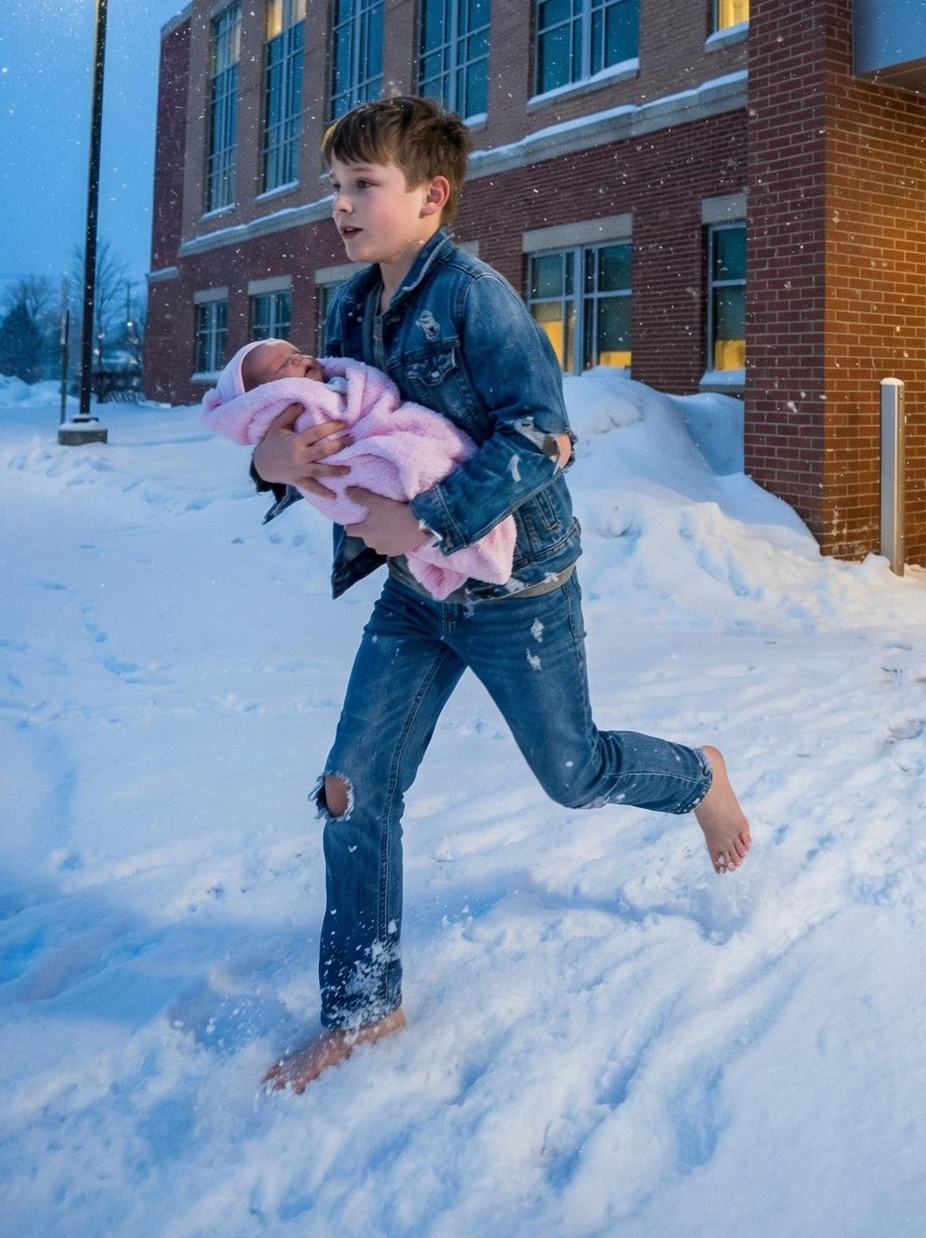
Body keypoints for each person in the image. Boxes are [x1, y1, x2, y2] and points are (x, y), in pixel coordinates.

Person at [251, 96, 751, 1093]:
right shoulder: (350, 308)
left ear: (431, 195)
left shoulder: (478, 299)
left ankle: (697, 776)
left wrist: (427, 516)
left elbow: (543, 438)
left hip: (518, 587)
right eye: (335, 187)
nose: (342, 206)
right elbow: (306, 422)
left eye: (363, 185)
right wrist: (272, 457)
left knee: (571, 772)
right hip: (413, 592)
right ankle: (364, 1004)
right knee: (353, 785)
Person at [200, 338, 518, 600]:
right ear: (261, 398)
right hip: (404, 585)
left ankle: (471, 544)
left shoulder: (469, 290)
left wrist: (428, 521)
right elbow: (319, 455)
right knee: (413, 466)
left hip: (521, 580)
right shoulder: (301, 403)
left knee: (425, 461)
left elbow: (538, 439)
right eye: (283, 364)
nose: (300, 358)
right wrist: (265, 465)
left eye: (297, 352)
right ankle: (471, 549)